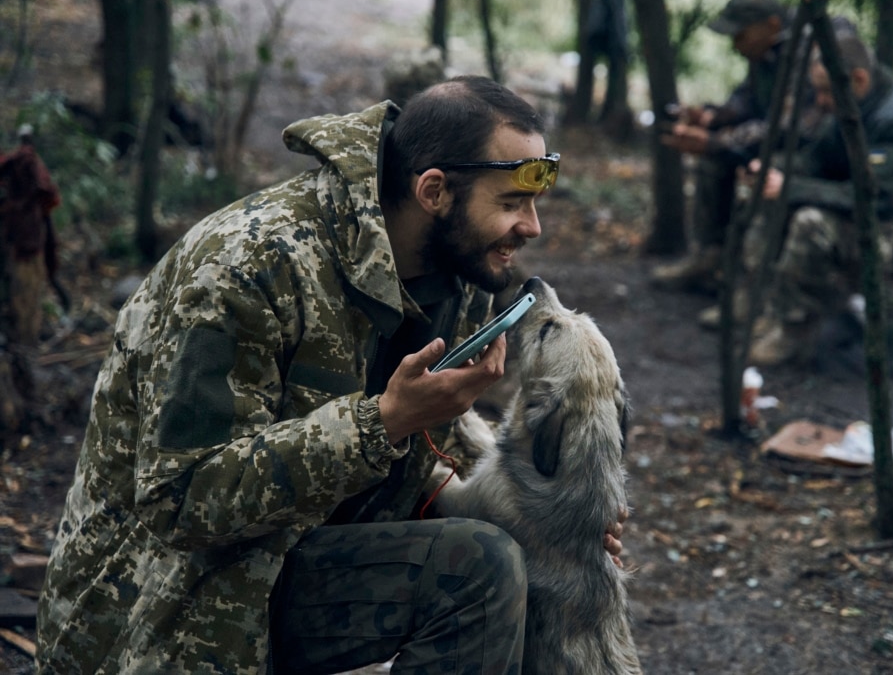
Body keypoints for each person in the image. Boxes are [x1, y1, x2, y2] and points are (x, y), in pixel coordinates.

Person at [36, 76, 624, 674]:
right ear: (434, 191)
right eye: (510, 204)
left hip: (299, 561)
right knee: (480, 566)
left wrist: (546, 526)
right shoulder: (246, 264)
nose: (533, 227)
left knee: (515, 561)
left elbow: (425, 458)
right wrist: (383, 422)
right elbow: (180, 501)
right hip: (163, 602)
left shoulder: (458, 274)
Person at [747, 33, 893, 366]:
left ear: (859, 79)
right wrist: (770, 170)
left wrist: (790, 187)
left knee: (810, 223)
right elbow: (816, 161)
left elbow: (878, 200)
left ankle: (795, 329)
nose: (821, 101)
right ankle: (774, 307)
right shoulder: (853, 109)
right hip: (873, 221)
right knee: (774, 195)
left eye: (825, 91)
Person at [651, 0, 822, 294]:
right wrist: (711, 117)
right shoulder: (763, 54)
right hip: (770, 143)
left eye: (741, 34)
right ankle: (709, 255)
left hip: (808, 153)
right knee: (712, 163)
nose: (736, 44)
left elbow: (789, 125)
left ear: (771, 25)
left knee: (760, 174)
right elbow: (745, 101)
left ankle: (753, 282)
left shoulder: (806, 51)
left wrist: (718, 141)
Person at [0, 123, 63, 345]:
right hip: (20, 245)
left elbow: (45, 198)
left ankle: (24, 345)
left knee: (25, 300)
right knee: (21, 298)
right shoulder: (16, 168)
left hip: (26, 246)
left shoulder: (25, 168)